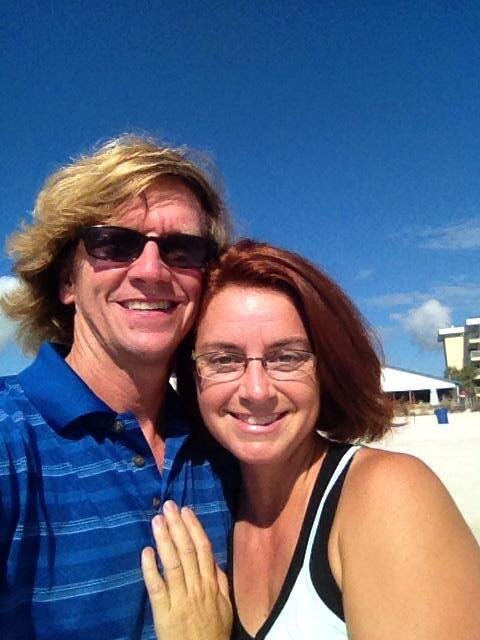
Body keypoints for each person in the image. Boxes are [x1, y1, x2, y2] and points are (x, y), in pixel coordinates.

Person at [142, 239, 480, 640]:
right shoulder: (217, 502)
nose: (256, 390)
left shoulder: (387, 496)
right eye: (223, 359)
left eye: (287, 357)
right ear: (192, 375)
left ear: (326, 369)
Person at [0, 135, 237, 639]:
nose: (151, 270)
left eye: (183, 249)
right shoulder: (8, 444)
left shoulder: (227, 443)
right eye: (114, 243)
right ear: (67, 281)